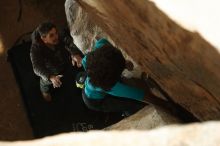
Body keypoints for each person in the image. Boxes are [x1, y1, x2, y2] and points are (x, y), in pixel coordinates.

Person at [81, 38, 168, 113]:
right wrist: (164, 104)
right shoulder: (112, 87)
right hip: (95, 102)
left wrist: (124, 63)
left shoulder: (95, 52)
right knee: (132, 104)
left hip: (92, 85)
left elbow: (85, 60)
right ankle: (129, 112)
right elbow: (141, 95)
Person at [30, 22, 82, 101]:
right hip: (50, 71)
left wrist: (75, 54)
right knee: (45, 83)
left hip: (63, 61)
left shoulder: (58, 35)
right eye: (51, 35)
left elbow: (69, 42)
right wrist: (50, 77)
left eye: (56, 33)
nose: (56, 36)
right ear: (43, 39)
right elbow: (36, 67)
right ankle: (45, 92)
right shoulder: (36, 49)